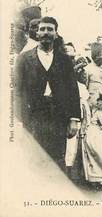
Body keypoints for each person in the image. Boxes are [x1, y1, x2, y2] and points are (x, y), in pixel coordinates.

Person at [14, 16, 81, 170]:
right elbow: (17, 91)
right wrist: (19, 119)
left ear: (56, 34)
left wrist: (74, 119)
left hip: (58, 117)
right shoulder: (24, 59)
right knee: (33, 160)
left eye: (50, 29)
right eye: (42, 29)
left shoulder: (64, 60)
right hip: (33, 117)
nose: (46, 32)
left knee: (57, 159)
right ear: (37, 33)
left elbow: (73, 90)